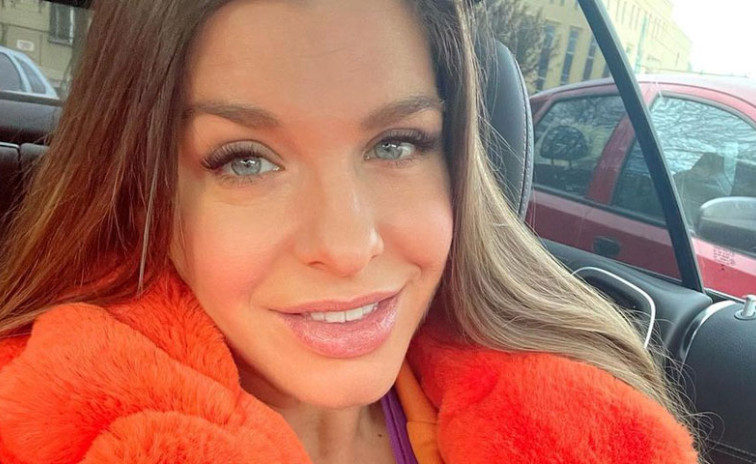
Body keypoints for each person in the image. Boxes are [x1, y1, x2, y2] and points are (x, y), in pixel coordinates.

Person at [0, 0, 698, 463]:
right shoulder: (38, 427)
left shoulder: (584, 423)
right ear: (141, 192)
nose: (346, 247)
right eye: (246, 160)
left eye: (396, 144)